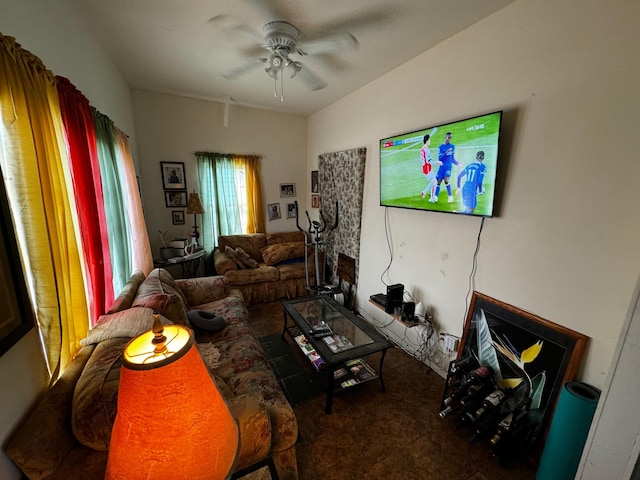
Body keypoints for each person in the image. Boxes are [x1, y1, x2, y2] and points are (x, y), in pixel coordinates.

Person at [434, 132, 463, 203]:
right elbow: (440, 158)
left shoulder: (452, 146)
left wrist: (457, 163)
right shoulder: (440, 147)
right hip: (441, 167)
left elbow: (452, 158)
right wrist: (446, 152)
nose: (450, 139)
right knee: (438, 182)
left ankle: (450, 197)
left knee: (446, 180)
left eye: (451, 138)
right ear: (445, 137)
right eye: (449, 137)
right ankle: (435, 197)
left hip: (448, 167)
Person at [419, 134, 437, 202]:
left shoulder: (422, 148)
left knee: (433, 181)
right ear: (427, 140)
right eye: (429, 139)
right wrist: (437, 162)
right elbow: (429, 161)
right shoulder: (426, 149)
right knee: (434, 182)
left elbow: (422, 160)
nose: (430, 141)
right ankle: (432, 198)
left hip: (426, 168)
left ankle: (424, 192)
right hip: (427, 169)